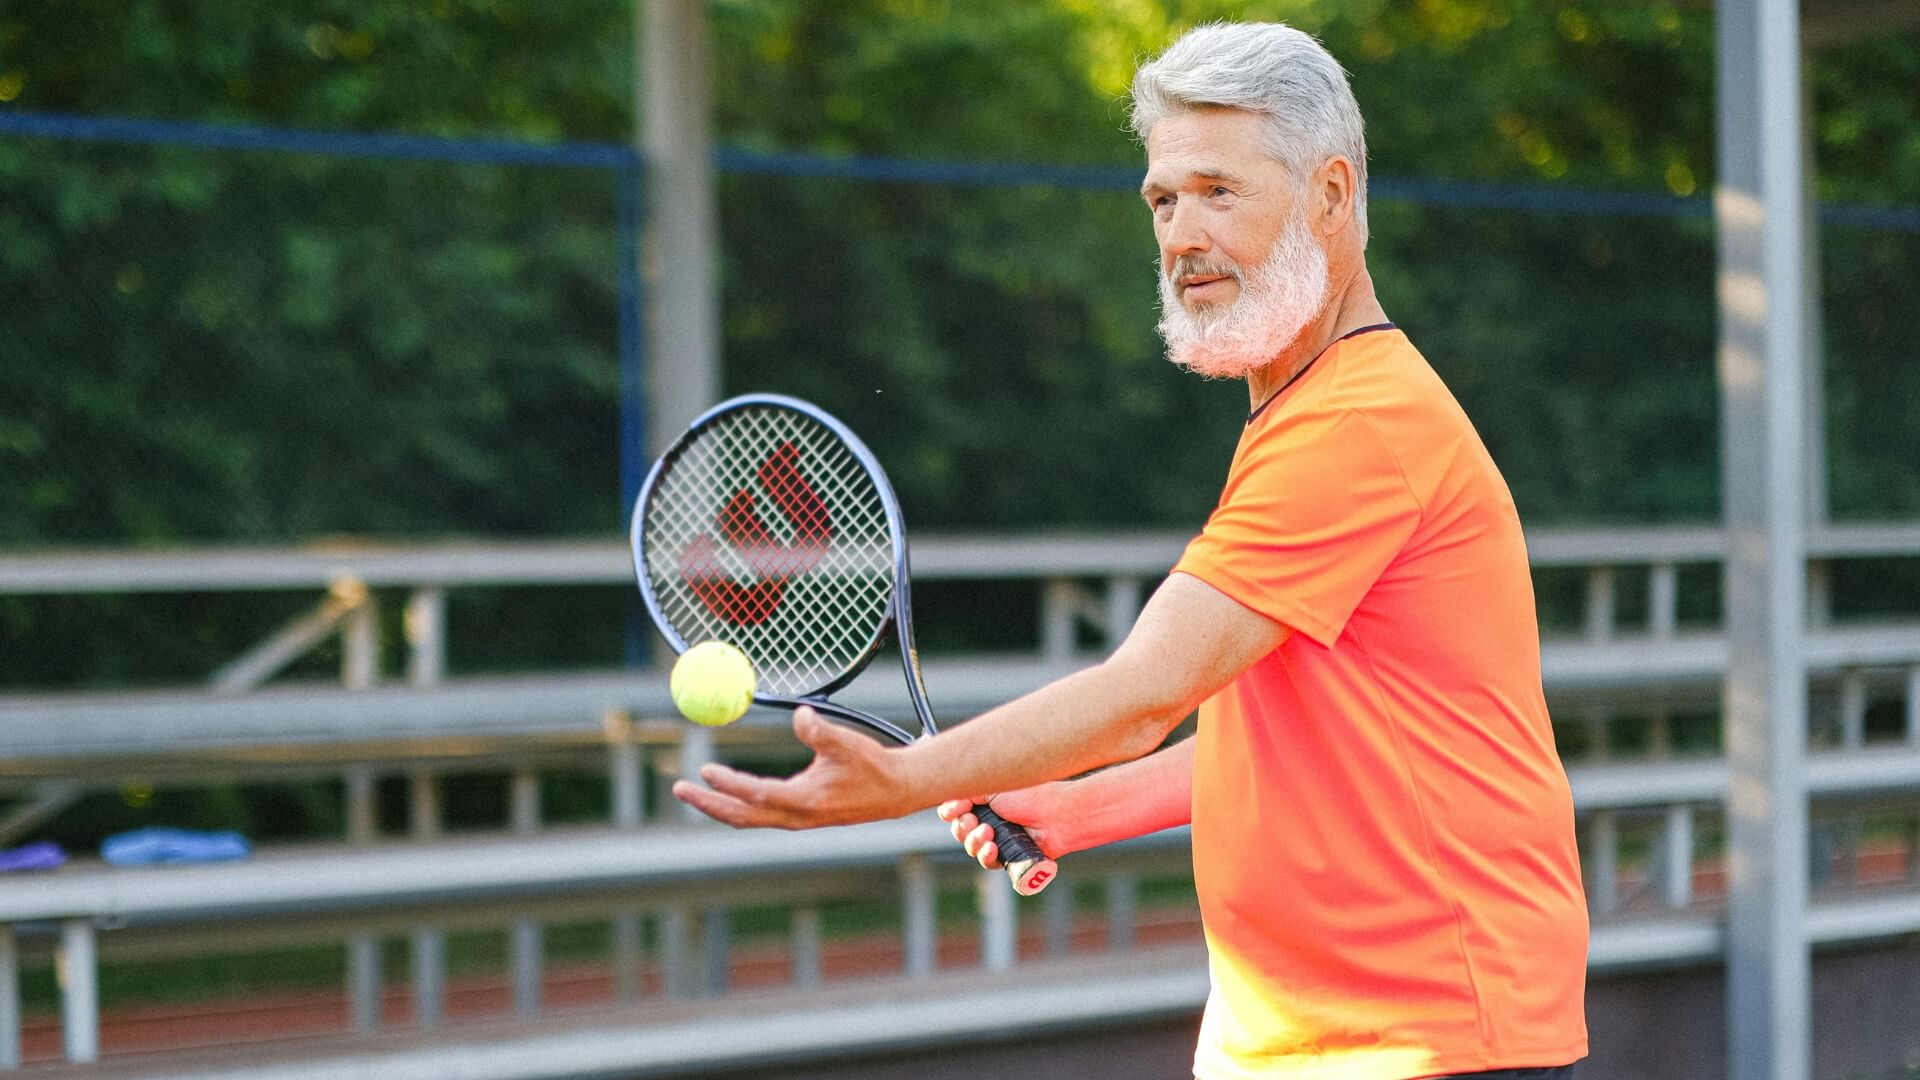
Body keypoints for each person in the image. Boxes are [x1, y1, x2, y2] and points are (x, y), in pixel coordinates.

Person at [673, 21, 1588, 1080]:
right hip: (1303, 1045)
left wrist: (903, 780)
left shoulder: (1358, 427)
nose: (1181, 234)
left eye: (1218, 191)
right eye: (1162, 199)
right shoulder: (1307, 415)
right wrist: (1073, 808)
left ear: (1333, 197)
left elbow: (1146, 694)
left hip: (1430, 1042)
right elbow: (1295, 738)